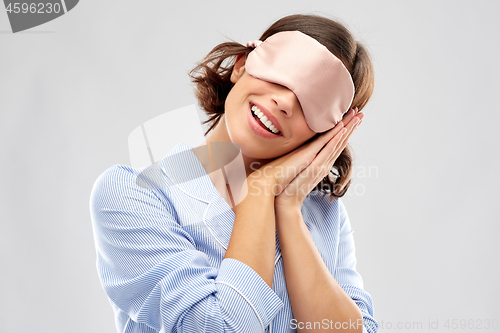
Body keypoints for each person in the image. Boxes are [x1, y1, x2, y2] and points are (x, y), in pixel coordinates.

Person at [90, 13, 378, 333]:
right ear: (242, 64)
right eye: (281, 74)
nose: (284, 102)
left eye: (315, 103)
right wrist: (260, 189)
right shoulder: (134, 192)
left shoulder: (325, 216)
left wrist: (288, 211)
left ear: (328, 134)